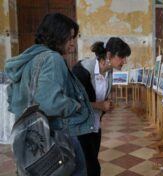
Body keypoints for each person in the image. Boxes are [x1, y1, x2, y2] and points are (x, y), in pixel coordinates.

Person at [4, 13, 96, 176]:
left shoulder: (30, 58)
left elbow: (12, 99)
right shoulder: (53, 59)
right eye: (70, 38)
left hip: (28, 138)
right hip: (55, 135)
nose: (73, 44)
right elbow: (50, 103)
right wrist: (75, 105)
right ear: (58, 36)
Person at [72, 37, 131, 176]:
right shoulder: (82, 70)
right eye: (122, 57)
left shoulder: (109, 72)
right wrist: (100, 105)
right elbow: (73, 102)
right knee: (90, 168)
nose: (125, 61)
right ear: (109, 55)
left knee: (91, 163)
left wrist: (106, 104)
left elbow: (100, 96)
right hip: (80, 127)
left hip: (95, 125)